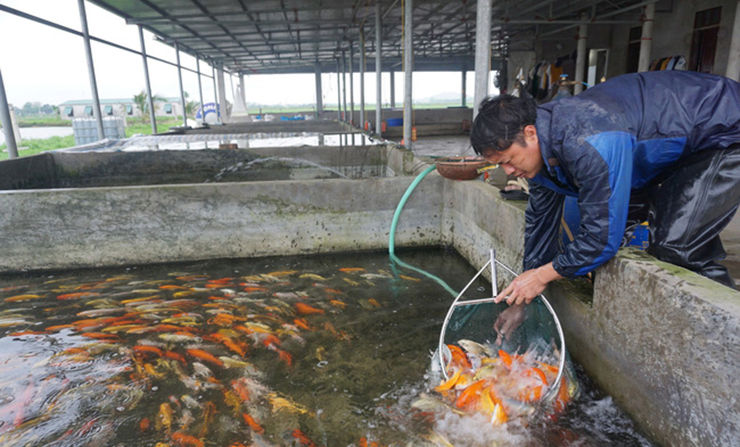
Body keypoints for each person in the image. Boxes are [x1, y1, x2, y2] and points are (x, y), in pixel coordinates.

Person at [469, 71, 740, 320]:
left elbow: (600, 239)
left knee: (677, 243)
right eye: (500, 165)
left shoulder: (588, 142)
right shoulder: (539, 158)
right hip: (656, 151)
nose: (510, 172)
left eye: (509, 160)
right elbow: (541, 226)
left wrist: (543, 275)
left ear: (530, 134)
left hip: (723, 129)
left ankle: (723, 328)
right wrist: (521, 299)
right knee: (620, 245)